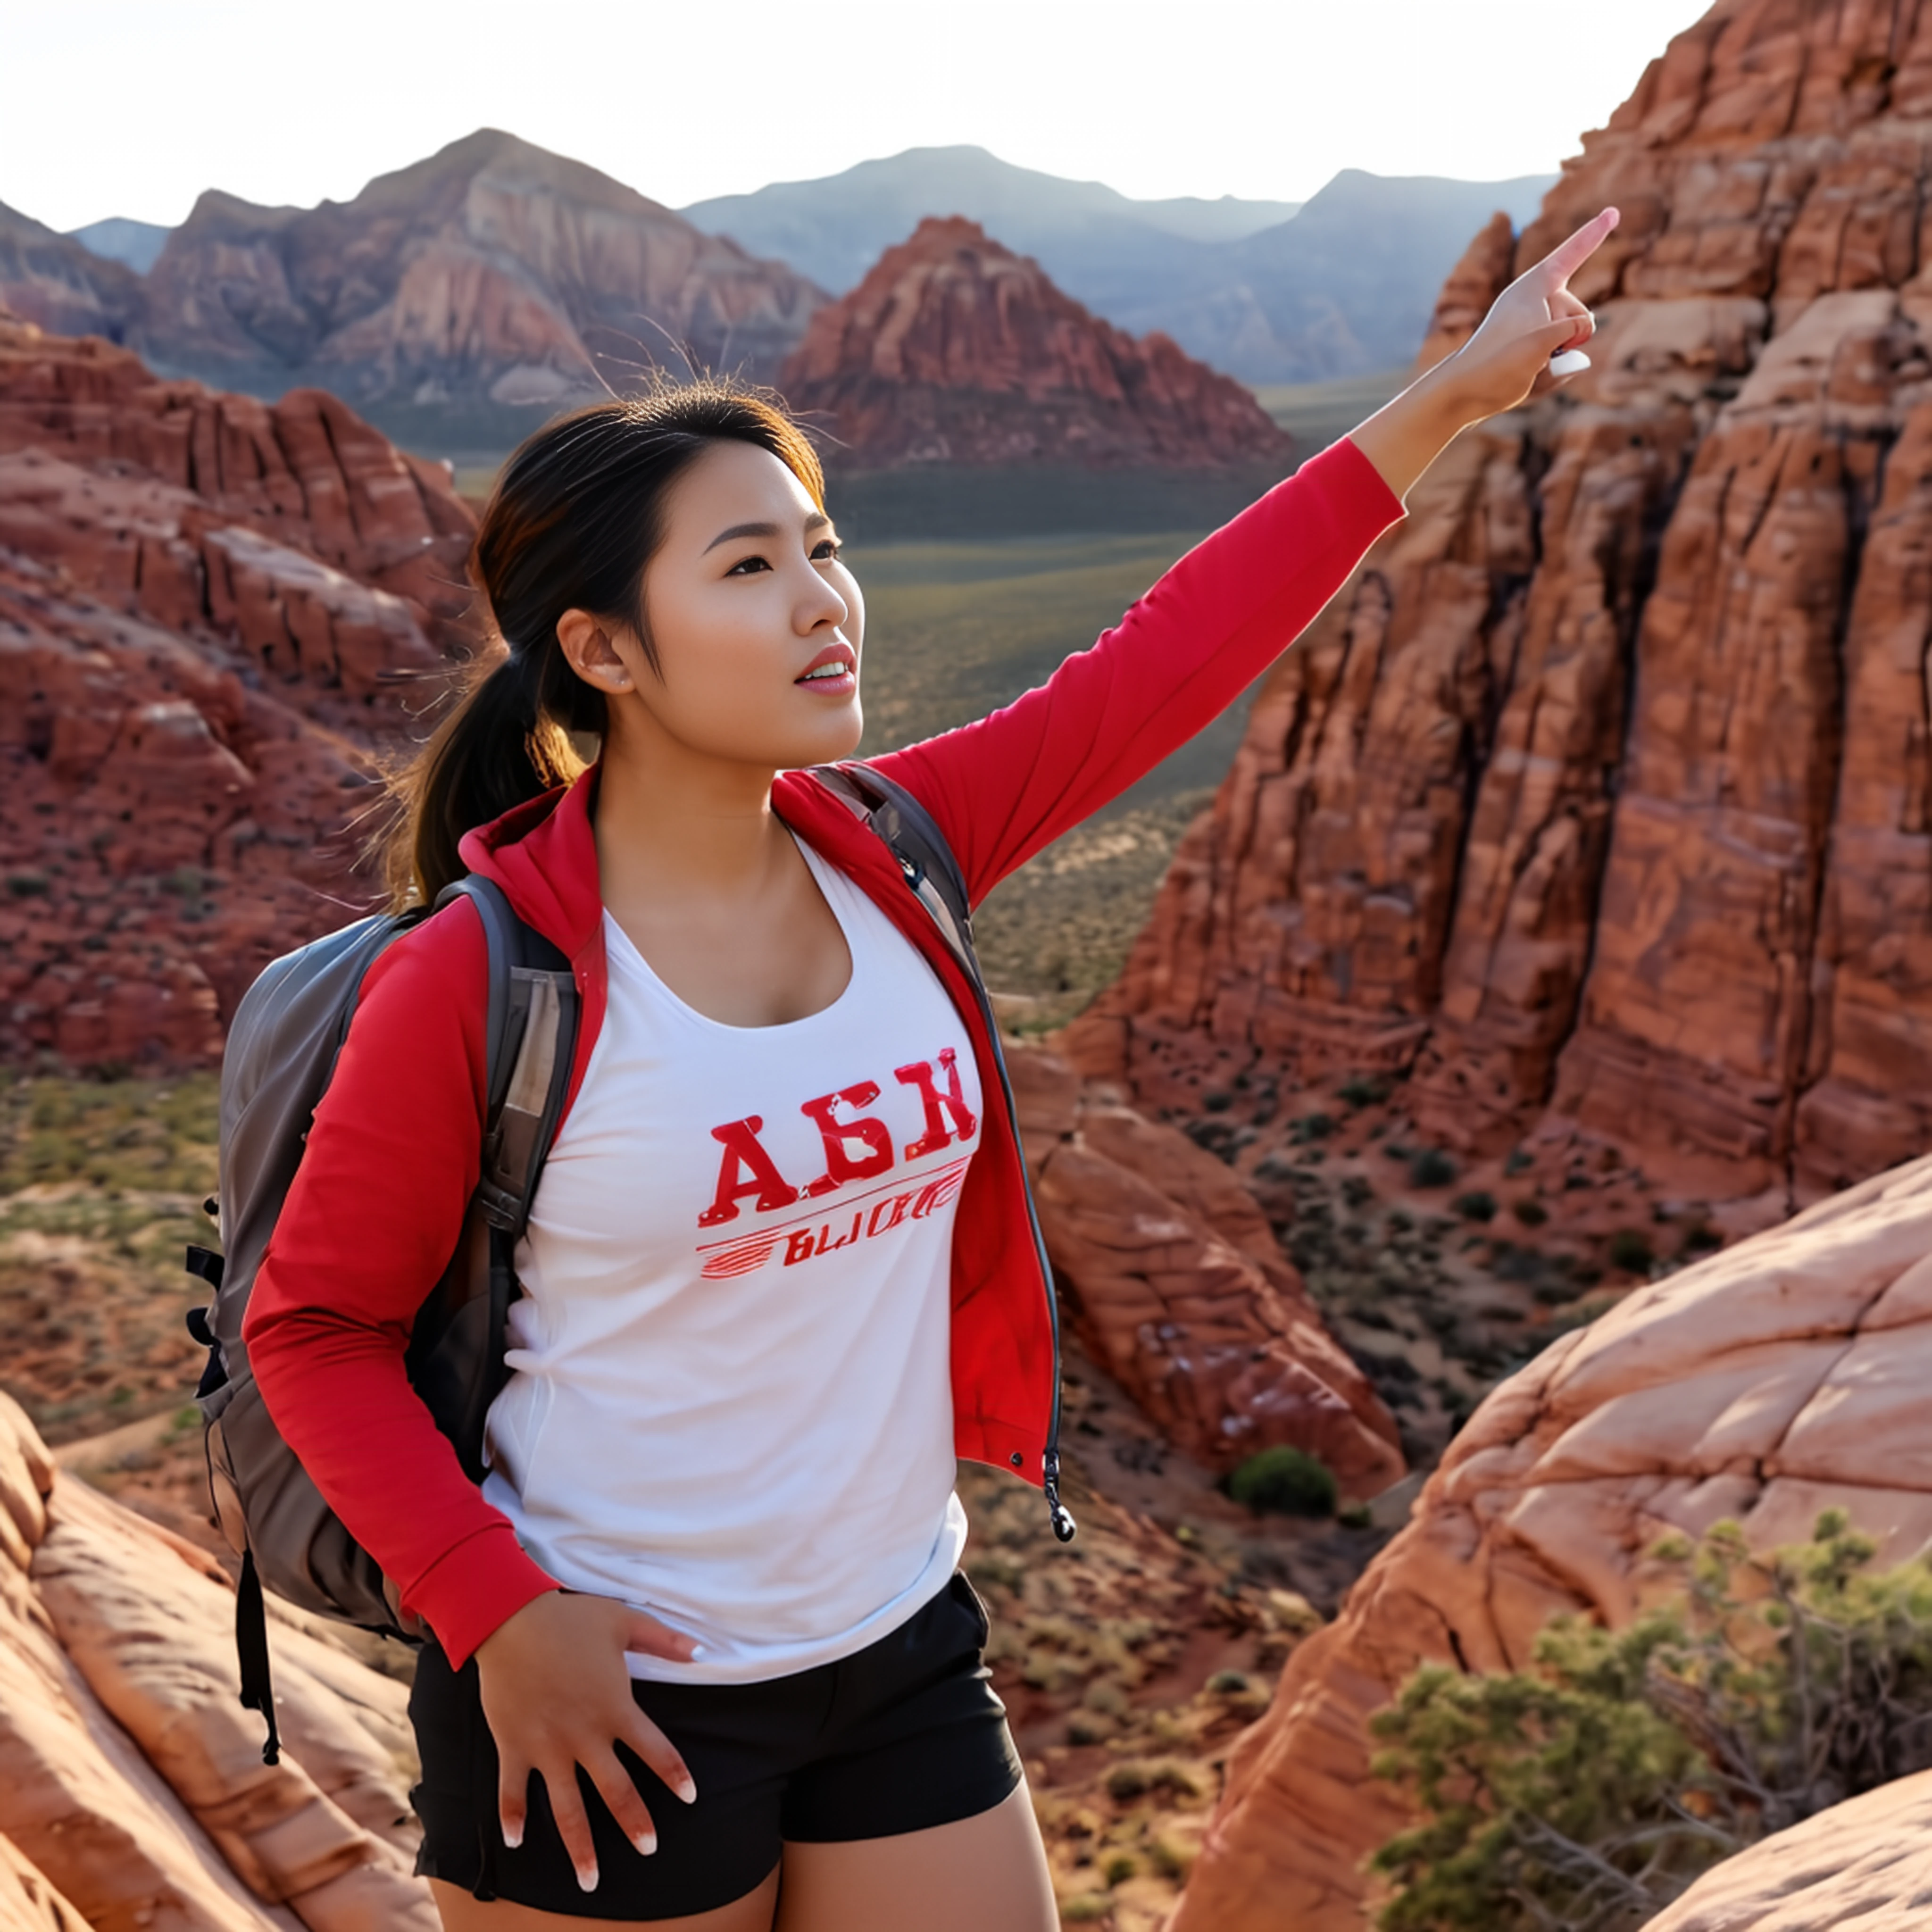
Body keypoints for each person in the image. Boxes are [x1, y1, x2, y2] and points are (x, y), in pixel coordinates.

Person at [242, 208, 1619, 1932]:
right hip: (611, 1683)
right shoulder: (480, 973)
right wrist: (494, 1614)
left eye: (823, 548)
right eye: (746, 569)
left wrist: (1449, 400)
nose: (825, 605)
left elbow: (1169, 656)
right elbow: (313, 1326)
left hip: (897, 1640)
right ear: (600, 651)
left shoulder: (900, 847)